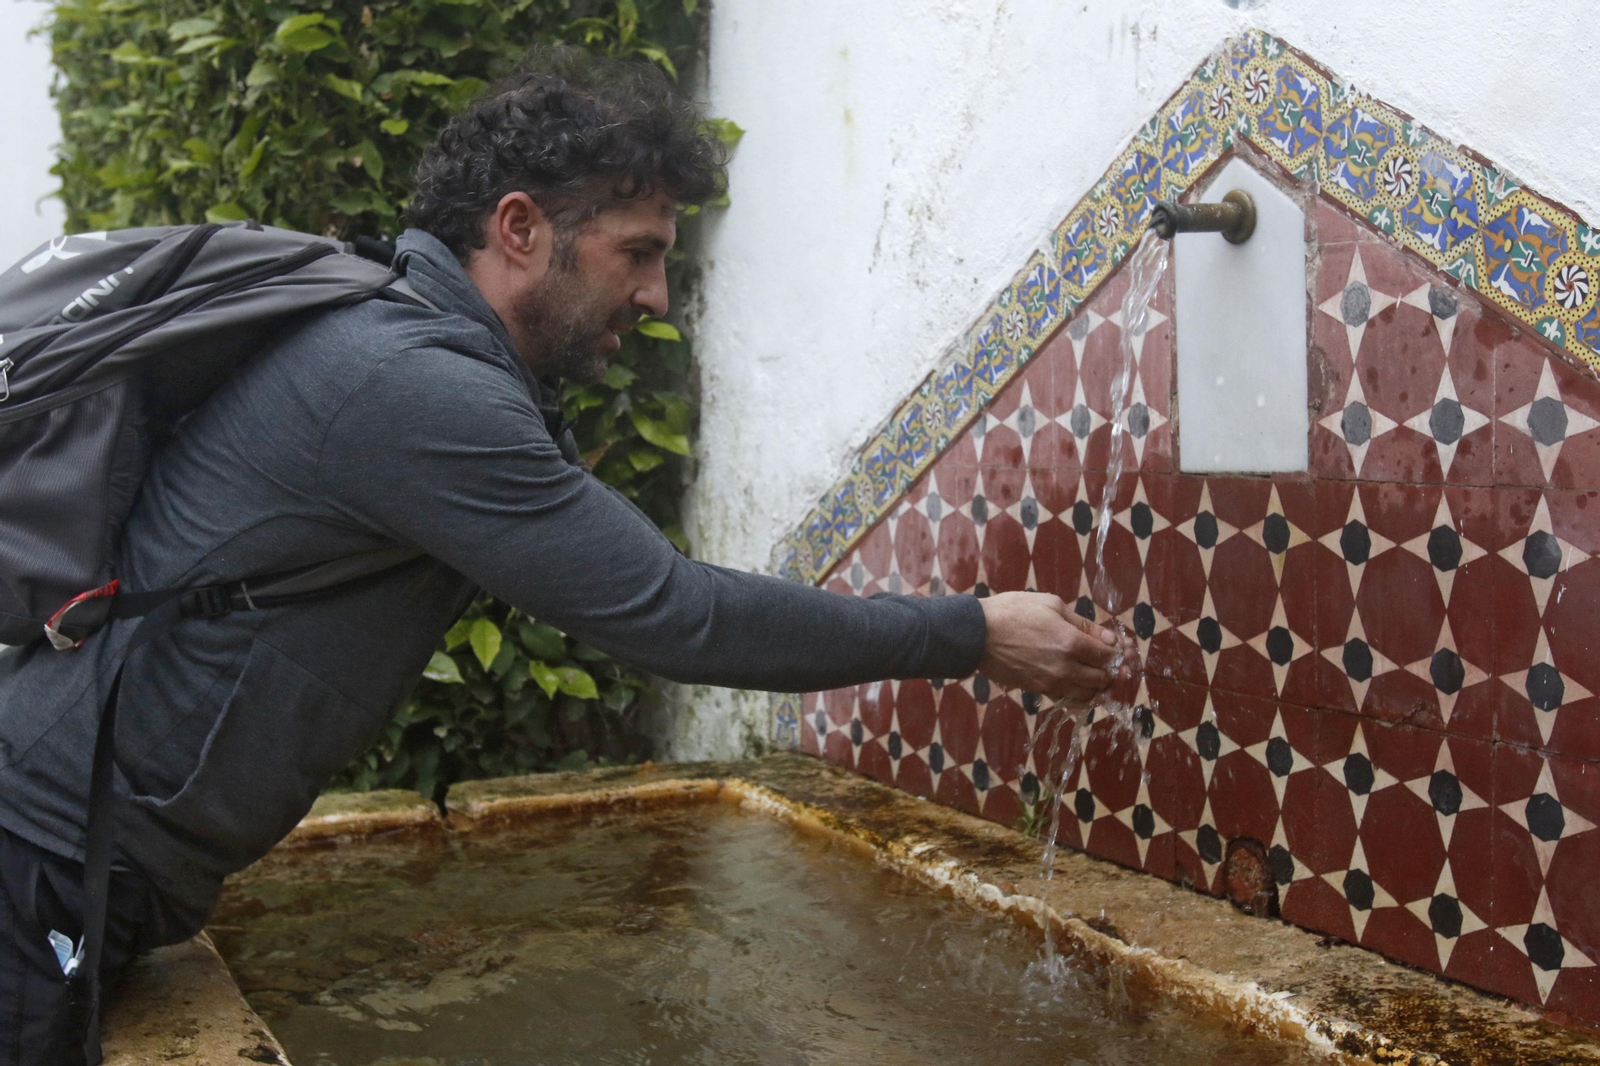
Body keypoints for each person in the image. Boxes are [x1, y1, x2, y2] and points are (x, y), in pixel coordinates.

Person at [0, 47, 1121, 1063]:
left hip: (77, 851)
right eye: (636, 253)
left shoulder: (420, 351)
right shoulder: (414, 387)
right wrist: (971, 632)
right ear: (521, 227)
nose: (656, 296)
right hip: (34, 858)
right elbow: (678, 615)